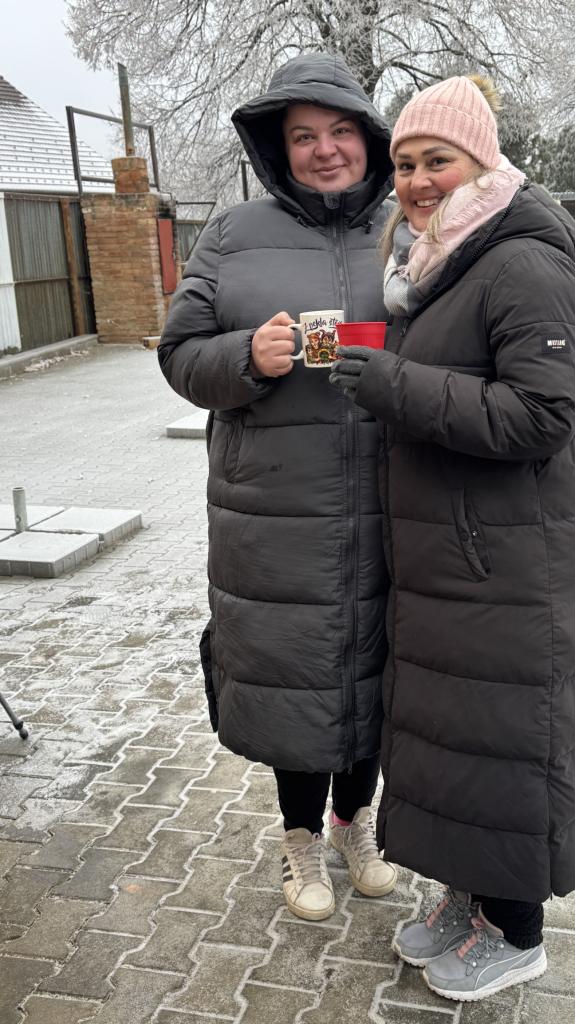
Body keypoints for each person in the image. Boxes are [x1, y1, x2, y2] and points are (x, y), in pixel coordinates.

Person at [329, 75, 575, 1001]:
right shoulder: (440, 260)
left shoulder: (522, 261)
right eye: (405, 163)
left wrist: (392, 385)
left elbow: (544, 412)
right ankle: (472, 899)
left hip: (513, 565)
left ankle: (518, 931)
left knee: (509, 745)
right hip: (458, 561)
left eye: (437, 161)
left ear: (482, 163)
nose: (417, 180)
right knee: (462, 744)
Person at [158, 53, 397, 923]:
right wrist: (245, 358)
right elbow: (179, 353)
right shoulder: (231, 235)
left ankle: (354, 824)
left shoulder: (411, 228)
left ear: (369, 138)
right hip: (275, 514)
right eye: (303, 136)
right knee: (299, 679)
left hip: (390, 504)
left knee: (375, 679)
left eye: (339, 132)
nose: (324, 150)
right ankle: (300, 839)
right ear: (278, 148)